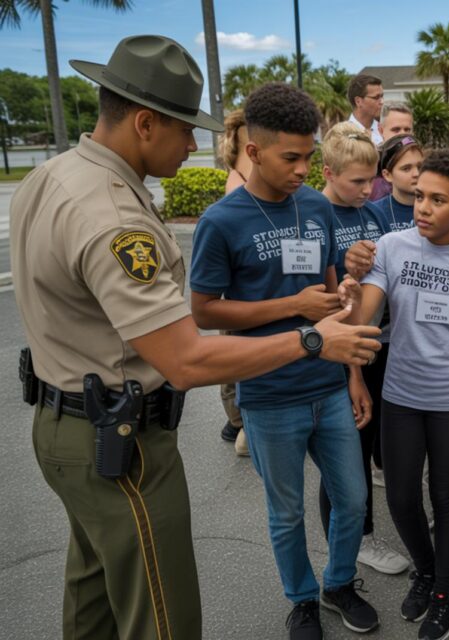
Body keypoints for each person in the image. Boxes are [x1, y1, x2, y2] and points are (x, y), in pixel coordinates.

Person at [11, 35, 378, 640]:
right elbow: (186, 353)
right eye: (186, 130)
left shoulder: (53, 177)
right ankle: (305, 598)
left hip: (71, 420)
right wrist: (312, 339)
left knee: (95, 601)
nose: (194, 145)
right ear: (146, 122)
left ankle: (336, 584)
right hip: (118, 438)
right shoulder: (113, 214)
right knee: (163, 620)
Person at [189, 82, 382, 639]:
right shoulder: (222, 221)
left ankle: (339, 583)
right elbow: (203, 311)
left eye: (309, 156)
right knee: (287, 512)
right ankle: (301, 599)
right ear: (253, 151)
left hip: (328, 384)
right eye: (290, 158)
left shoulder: (317, 205)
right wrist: (292, 305)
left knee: (352, 497)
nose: (303, 169)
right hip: (269, 393)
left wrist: (352, 374)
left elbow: (328, 294)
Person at [356, 149, 449, 640]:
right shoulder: (391, 247)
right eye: (419, 196)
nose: (423, 207)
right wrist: (352, 298)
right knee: (399, 496)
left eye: (438, 200)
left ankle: (444, 590)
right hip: (400, 393)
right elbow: (367, 315)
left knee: (446, 496)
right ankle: (425, 567)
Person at [317, 122, 410, 578]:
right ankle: (357, 538)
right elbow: (312, 285)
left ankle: (358, 529)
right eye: (356, 181)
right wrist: (342, 269)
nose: (366, 189)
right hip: (336, 348)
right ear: (329, 172)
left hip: (374, 345)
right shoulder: (314, 214)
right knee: (344, 450)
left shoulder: (371, 214)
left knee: (366, 441)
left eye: (371, 180)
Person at [217, 107, 253, 456]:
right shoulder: (235, 190)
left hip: (243, 297)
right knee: (234, 356)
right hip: (237, 296)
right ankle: (239, 423)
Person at [372, 134, 423, 233]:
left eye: (420, 167)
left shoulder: (437, 208)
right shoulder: (374, 213)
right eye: (406, 169)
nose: (416, 174)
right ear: (387, 175)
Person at [369, 102, 415, 201]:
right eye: (396, 130)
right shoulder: (369, 164)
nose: (403, 135)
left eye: (407, 130)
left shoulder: (423, 164)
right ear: (381, 130)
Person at [347, 73, 385, 146]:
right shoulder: (343, 134)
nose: (382, 102)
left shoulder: (386, 130)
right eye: (376, 98)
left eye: (382, 96)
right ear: (358, 101)